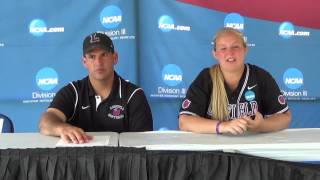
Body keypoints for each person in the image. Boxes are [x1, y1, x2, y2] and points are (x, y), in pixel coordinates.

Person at [39, 32, 153, 143]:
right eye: (92, 57)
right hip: (80, 161)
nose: (98, 62)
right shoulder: (73, 91)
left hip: (121, 161)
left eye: (104, 54)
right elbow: (46, 122)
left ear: (115, 58)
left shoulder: (133, 95)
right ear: (84, 62)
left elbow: (142, 146)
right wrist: (62, 128)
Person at [179, 27, 291, 135]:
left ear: (245, 50)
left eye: (235, 47)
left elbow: (285, 117)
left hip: (252, 147)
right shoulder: (206, 77)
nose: (230, 53)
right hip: (215, 149)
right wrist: (224, 126)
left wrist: (262, 125)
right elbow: (184, 121)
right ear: (215, 53)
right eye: (223, 48)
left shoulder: (260, 76)